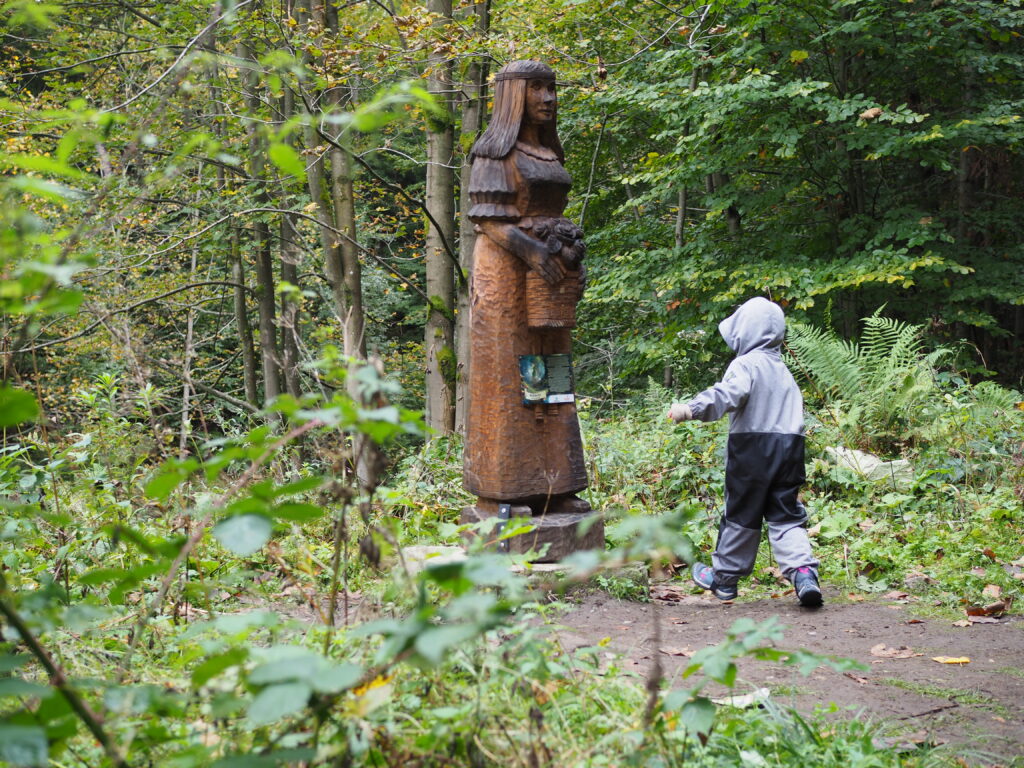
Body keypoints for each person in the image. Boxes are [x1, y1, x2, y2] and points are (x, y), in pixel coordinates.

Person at [462, 60, 588, 515]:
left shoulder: (550, 154)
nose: (548, 98)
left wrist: (561, 254)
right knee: (509, 374)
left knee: (552, 372)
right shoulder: (494, 153)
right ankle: (504, 489)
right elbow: (489, 220)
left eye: (552, 88)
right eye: (536, 88)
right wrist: (534, 253)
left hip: (549, 274)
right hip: (507, 273)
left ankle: (556, 484)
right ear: (514, 95)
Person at [668, 296, 822, 607]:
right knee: (786, 514)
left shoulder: (745, 365)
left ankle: (724, 579)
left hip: (752, 451)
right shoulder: (783, 370)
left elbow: (728, 394)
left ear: (745, 331)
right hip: (790, 450)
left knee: (742, 514)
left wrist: (690, 409)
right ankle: (803, 572)